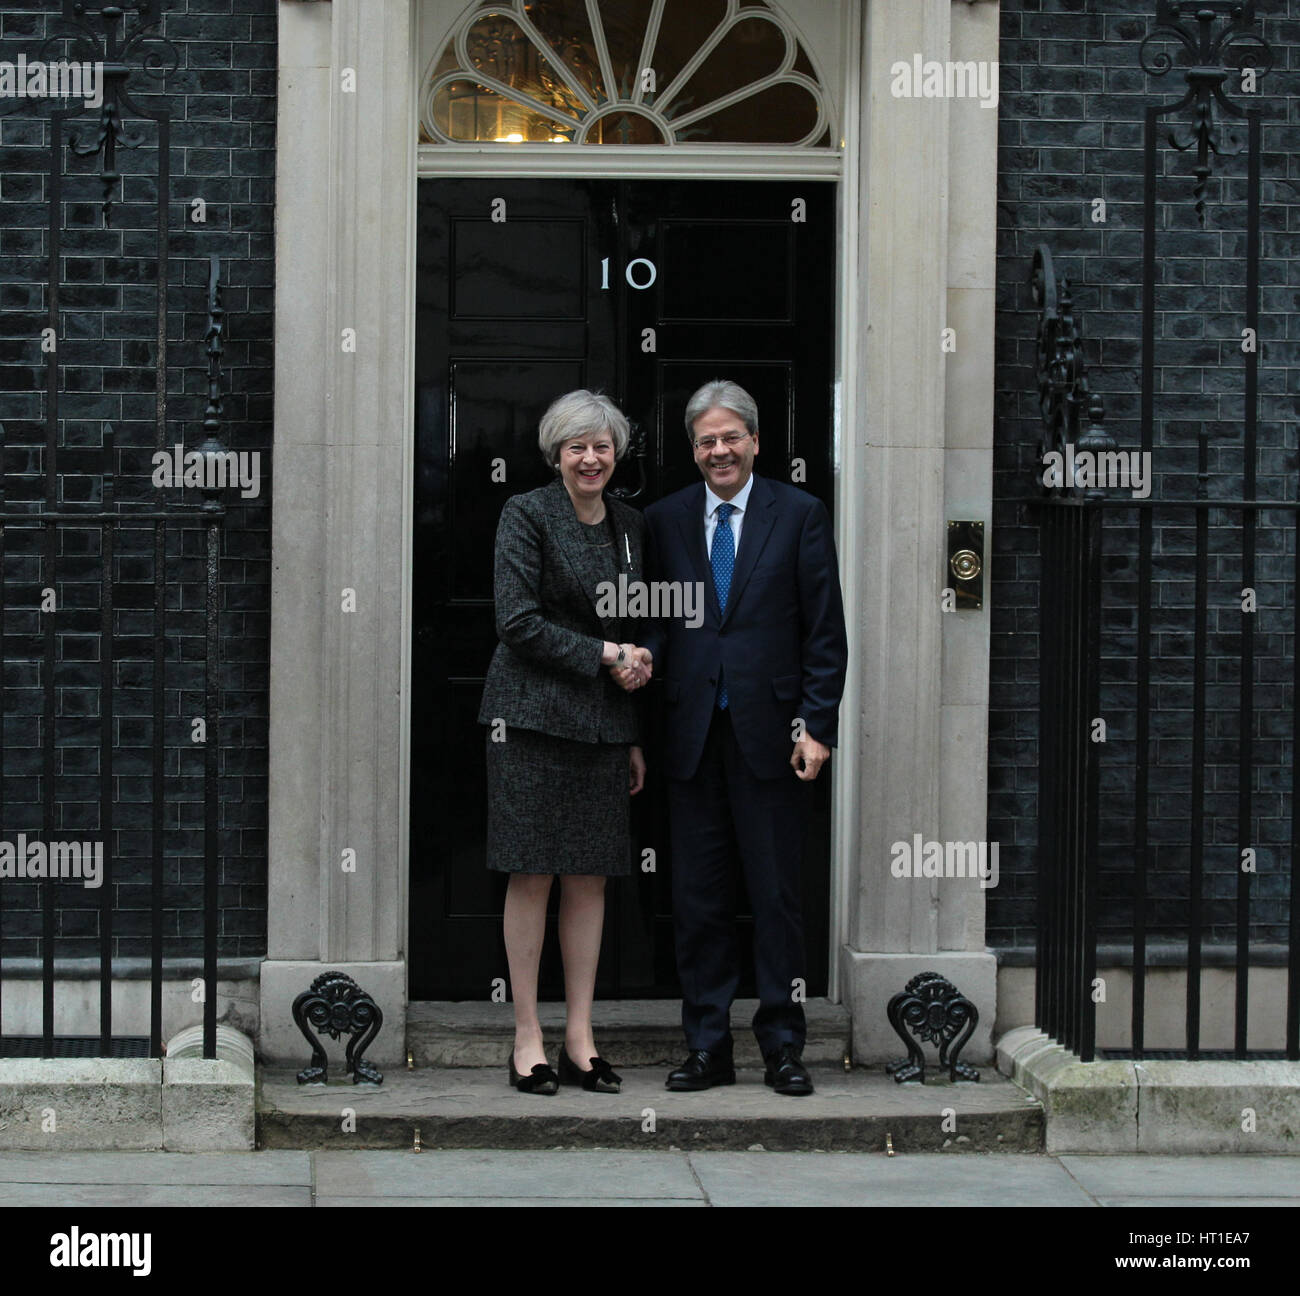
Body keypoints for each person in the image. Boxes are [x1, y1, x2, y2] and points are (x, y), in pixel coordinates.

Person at [632, 379, 847, 1096]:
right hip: (690, 736)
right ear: (693, 450)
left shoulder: (801, 514)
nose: (719, 451)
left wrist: (817, 727)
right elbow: (655, 619)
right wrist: (645, 662)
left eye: (730, 438)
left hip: (775, 738)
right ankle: (707, 1048)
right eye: (706, 441)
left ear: (755, 441)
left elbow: (824, 631)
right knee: (698, 901)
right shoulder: (662, 521)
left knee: (777, 896)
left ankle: (784, 1047)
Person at [479, 389, 653, 1096]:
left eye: (602, 445)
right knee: (533, 874)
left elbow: (638, 625)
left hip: (606, 726)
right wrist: (609, 653)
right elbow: (516, 622)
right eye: (577, 446)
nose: (591, 457)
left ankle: (580, 1037)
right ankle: (527, 1036)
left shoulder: (632, 527)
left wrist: (633, 701)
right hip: (530, 719)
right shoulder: (526, 513)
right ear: (556, 454)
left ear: (617, 453)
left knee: (589, 877)